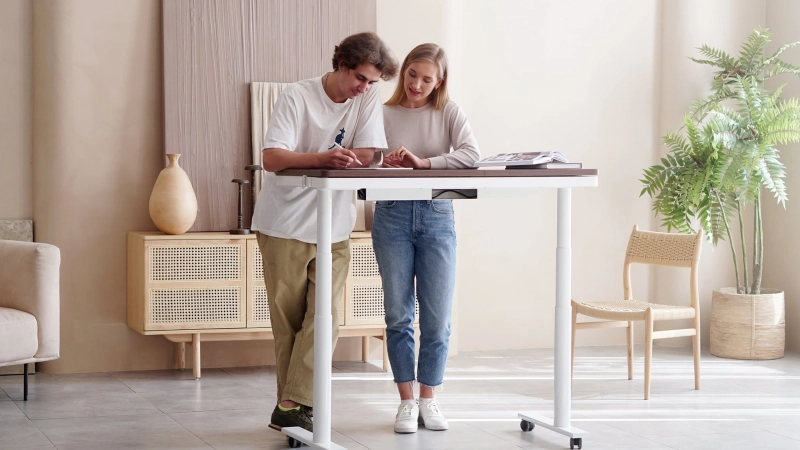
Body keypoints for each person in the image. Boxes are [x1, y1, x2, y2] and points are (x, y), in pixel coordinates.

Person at [251, 32, 398, 433]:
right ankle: (294, 409)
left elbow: (371, 152)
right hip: (284, 225)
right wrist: (322, 157)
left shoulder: (364, 99)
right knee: (290, 323)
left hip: (334, 225)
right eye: (360, 78)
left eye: (371, 82)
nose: (364, 88)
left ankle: (293, 403)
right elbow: (272, 158)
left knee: (327, 316)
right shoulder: (296, 97)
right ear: (341, 64)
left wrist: (351, 156)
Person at [372, 43, 480, 433]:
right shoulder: (381, 112)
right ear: (404, 73)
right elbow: (362, 158)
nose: (417, 84)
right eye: (412, 74)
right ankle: (405, 401)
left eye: (427, 79)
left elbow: (471, 155)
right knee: (399, 314)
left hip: (438, 214)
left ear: (440, 82)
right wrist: (384, 162)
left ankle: (429, 399)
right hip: (390, 216)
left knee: (437, 319)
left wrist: (425, 164)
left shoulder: (448, 111)